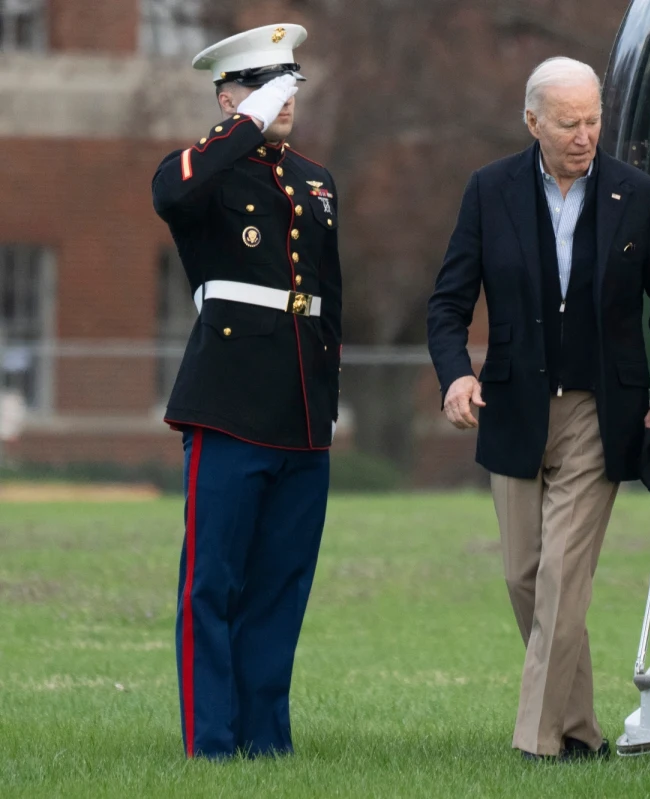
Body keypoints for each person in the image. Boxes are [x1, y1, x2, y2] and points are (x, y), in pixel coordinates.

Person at [426, 57, 650, 761]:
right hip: (513, 408)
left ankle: (537, 743)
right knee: (524, 574)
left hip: (599, 413)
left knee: (560, 577)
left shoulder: (639, 196)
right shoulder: (489, 191)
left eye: (594, 120)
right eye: (570, 122)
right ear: (533, 123)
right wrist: (456, 376)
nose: (586, 135)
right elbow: (449, 302)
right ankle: (580, 729)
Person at [150, 24, 343, 759]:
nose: (284, 98)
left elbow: (331, 298)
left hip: (300, 407)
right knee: (214, 583)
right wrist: (245, 124)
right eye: (266, 85)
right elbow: (174, 193)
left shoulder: (315, 180)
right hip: (228, 403)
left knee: (280, 585)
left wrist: (326, 399)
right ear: (230, 98)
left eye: (289, 82)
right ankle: (213, 739)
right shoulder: (204, 170)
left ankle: (267, 738)